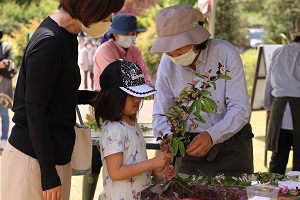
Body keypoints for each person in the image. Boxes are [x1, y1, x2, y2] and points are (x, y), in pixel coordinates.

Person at [1, 1, 124, 200]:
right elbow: (34, 108)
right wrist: (48, 175)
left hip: (53, 157)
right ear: (88, 7)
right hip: (34, 160)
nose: (108, 21)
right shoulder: (50, 41)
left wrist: (95, 98)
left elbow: (57, 94)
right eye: (105, 15)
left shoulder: (68, 36)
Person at [151, 4, 254, 176]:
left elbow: (240, 108)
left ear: (195, 39)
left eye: (179, 50)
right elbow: (161, 111)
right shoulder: (166, 62)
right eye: (169, 52)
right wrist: (167, 135)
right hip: (188, 148)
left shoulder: (225, 53)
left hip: (231, 146)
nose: (175, 56)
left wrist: (212, 135)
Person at [93, 59, 174, 200]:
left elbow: (133, 163)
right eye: (131, 95)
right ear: (113, 96)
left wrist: (154, 171)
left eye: (139, 94)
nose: (137, 99)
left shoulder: (132, 123)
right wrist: (152, 163)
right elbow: (116, 172)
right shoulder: (113, 129)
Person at [262, 32, 300, 174]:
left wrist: (268, 106)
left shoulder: (279, 51)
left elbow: (268, 82)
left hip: (280, 111)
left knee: (278, 158)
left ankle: (273, 192)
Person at [93, 13, 153, 91]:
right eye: (126, 34)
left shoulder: (135, 51)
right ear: (115, 34)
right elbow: (116, 76)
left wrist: (149, 86)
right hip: (107, 97)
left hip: (131, 97)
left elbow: (143, 74)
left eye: (133, 34)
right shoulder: (104, 50)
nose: (130, 37)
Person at [0, 30, 16, 150]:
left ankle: (4, 139)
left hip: (3, 86)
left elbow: (9, 63)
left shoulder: (4, 46)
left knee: (4, 113)